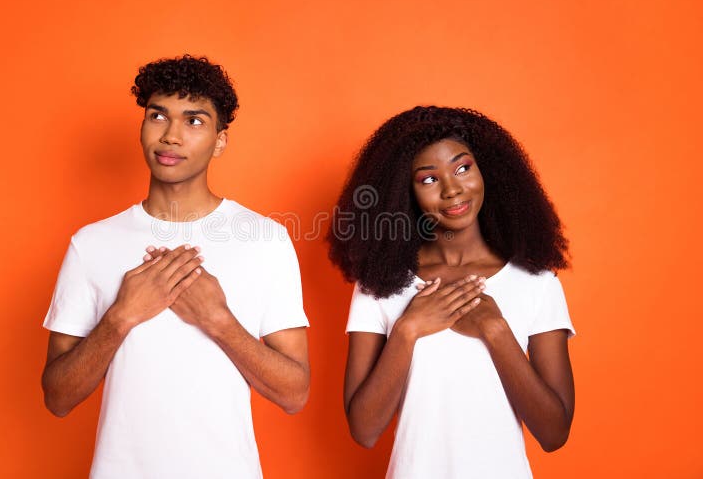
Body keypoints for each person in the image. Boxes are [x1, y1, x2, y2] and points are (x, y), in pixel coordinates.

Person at [41, 55, 310, 479]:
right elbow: (57, 397)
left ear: (221, 141)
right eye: (158, 116)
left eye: (194, 121)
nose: (171, 136)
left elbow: (295, 392)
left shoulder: (265, 240)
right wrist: (121, 316)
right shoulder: (91, 244)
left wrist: (217, 319)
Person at [328, 106, 575, 479]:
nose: (452, 188)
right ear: (403, 192)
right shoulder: (380, 285)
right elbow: (363, 430)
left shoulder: (535, 281)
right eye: (429, 179)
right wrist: (408, 329)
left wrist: (496, 331)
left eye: (463, 168)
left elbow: (554, 433)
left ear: (486, 170)